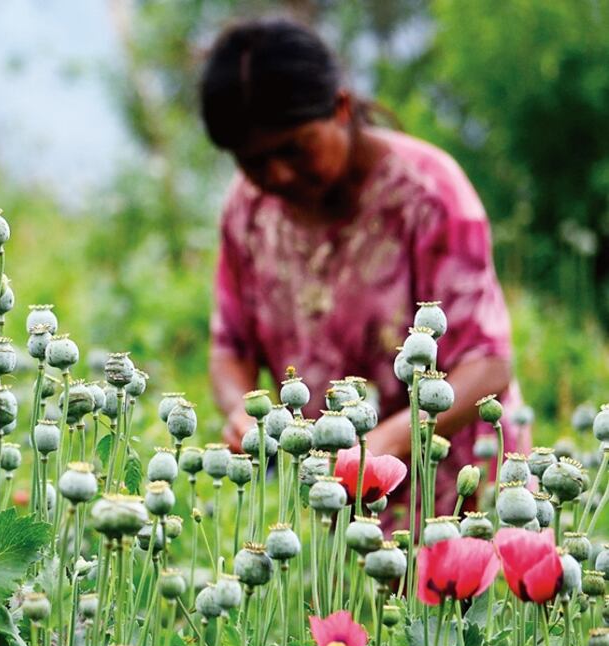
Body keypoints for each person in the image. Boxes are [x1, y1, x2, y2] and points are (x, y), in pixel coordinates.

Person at [199, 17, 526, 513]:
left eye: (294, 148)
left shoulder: (429, 195)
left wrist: (385, 448)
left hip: (460, 490)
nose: (277, 174)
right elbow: (230, 349)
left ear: (341, 107)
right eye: (253, 161)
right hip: (333, 499)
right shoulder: (248, 212)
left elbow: (488, 364)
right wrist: (247, 415)